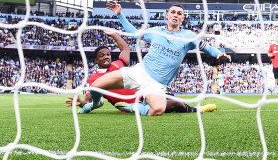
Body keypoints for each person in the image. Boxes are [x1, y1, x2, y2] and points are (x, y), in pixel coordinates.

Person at [85, 2, 230, 116]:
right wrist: (120, 15)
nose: (175, 15)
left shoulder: (189, 36)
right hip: (138, 72)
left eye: (179, 13)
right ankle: (97, 103)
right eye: (172, 12)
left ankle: (135, 108)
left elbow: (206, 47)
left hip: (156, 84)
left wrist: (218, 53)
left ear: (182, 18)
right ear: (167, 15)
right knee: (96, 85)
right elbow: (135, 33)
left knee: (158, 110)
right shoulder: (155, 31)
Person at [69, 31, 216, 114]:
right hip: (130, 106)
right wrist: (82, 103)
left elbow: (125, 49)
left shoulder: (118, 64)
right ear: (95, 60)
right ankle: (198, 110)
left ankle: (195, 108)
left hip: (145, 92)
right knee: (176, 105)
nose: (106, 57)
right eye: (102, 56)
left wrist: (114, 34)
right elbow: (90, 100)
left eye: (107, 54)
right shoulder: (94, 78)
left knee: (174, 99)